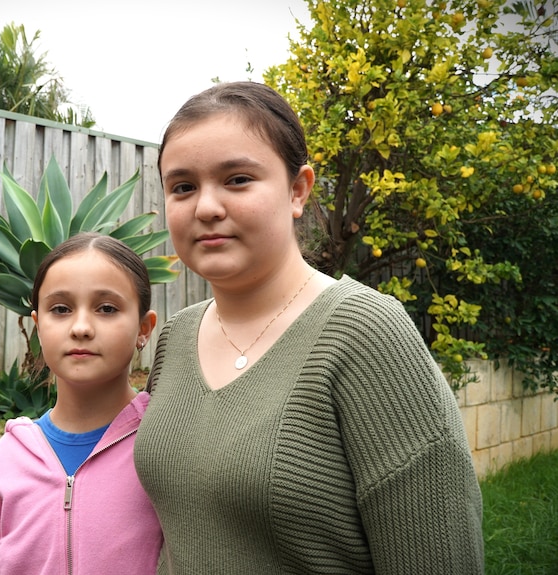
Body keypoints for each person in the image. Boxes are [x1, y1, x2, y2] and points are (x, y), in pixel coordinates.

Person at [132, 81, 484, 574]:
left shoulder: (367, 335)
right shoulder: (175, 337)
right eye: (183, 186)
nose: (206, 207)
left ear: (298, 191)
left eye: (237, 179)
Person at [0, 232, 163, 574]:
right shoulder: (6, 459)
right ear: (38, 326)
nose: (81, 327)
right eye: (61, 309)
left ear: (144, 329)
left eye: (106, 308)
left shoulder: (168, 448)